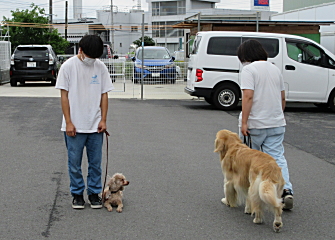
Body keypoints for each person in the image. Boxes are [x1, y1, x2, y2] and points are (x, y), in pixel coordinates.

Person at [55, 35, 114, 209]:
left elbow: (104, 94)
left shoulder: (100, 67)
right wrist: (69, 122)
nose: (91, 60)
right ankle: (77, 194)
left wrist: (103, 119)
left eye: (94, 57)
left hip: (95, 125)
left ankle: (94, 194)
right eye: (89, 56)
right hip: (74, 125)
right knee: (74, 163)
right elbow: (64, 96)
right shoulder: (68, 67)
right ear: (80, 50)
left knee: (95, 163)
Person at [237, 39, 294, 210]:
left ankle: (252, 197)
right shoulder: (275, 69)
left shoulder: (249, 69)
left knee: (251, 161)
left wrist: (245, 122)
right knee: (277, 159)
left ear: (246, 55)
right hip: (276, 122)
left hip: (255, 124)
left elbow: (248, 96)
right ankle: (285, 190)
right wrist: (278, 115)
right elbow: (282, 97)